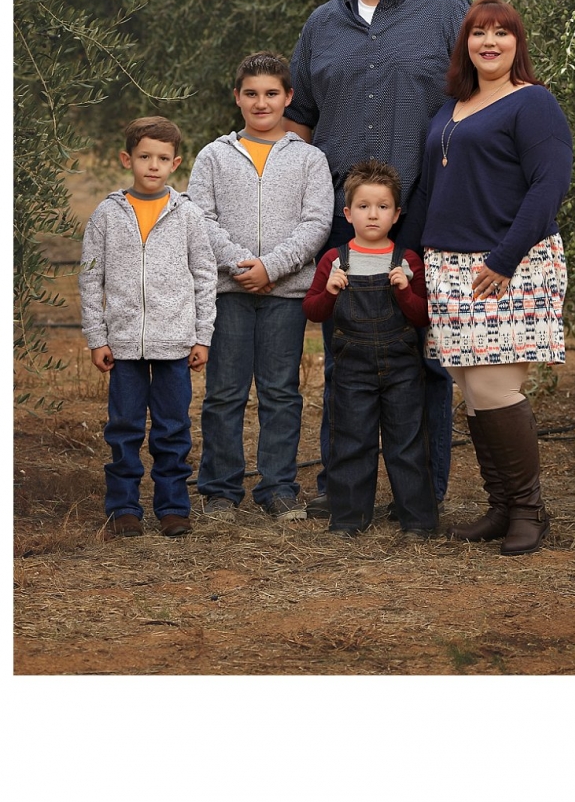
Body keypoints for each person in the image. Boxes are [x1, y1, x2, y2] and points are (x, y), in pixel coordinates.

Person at [284, 0, 470, 516]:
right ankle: (344, 490)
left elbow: (479, 99)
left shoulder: (447, 11)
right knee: (347, 350)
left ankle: (424, 494)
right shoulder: (321, 25)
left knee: (428, 355)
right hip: (347, 219)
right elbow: (300, 120)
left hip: (426, 210)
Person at [404, 0, 572, 556]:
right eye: (480, 33)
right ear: (466, 45)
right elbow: (429, 192)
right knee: (472, 390)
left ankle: (530, 511)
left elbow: (548, 188)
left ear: (517, 44)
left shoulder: (534, 103)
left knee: (497, 386)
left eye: (502, 33)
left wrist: (502, 260)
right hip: (449, 265)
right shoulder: (452, 108)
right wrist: (409, 256)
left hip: (510, 263)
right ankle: (502, 507)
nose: (490, 42)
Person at [187, 51, 333, 520]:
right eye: (251, 93)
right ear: (237, 97)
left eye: (272, 93)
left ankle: (278, 488)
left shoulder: (310, 159)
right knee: (224, 393)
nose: (261, 102)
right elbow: (200, 219)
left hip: (286, 295)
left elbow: (317, 224)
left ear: (288, 98)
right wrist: (239, 264)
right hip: (229, 294)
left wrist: (272, 267)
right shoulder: (213, 156)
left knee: (280, 392)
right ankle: (220, 492)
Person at [79, 116, 218, 538]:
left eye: (162, 158)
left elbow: (206, 275)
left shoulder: (187, 214)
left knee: (173, 427)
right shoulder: (107, 213)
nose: (152, 166)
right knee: (123, 427)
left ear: (176, 163)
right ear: (128, 159)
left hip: (175, 343)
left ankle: (173, 507)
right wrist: (96, 337)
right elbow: (90, 277)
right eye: (144, 157)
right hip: (122, 345)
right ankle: (123, 508)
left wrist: (202, 336)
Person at [302, 160, 438, 537]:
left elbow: (421, 315)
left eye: (382, 207)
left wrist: (405, 291)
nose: (372, 214)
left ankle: (418, 522)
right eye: (363, 207)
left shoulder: (407, 260)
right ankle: (348, 519)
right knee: (351, 442)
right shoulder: (335, 260)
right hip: (352, 367)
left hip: (402, 368)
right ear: (348, 213)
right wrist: (328, 292)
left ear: (396, 214)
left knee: (407, 444)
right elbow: (312, 309)